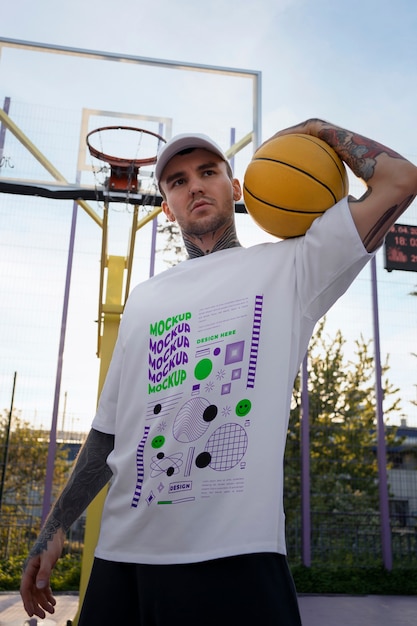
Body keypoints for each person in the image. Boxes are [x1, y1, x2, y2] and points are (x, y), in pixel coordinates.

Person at [20, 118, 417, 625]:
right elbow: (107, 434)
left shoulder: (294, 267)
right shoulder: (145, 299)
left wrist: (320, 130)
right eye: (178, 181)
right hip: (124, 556)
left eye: (207, 172)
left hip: (236, 554)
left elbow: (400, 180)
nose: (195, 186)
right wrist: (52, 530)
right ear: (167, 206)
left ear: (235, 187)